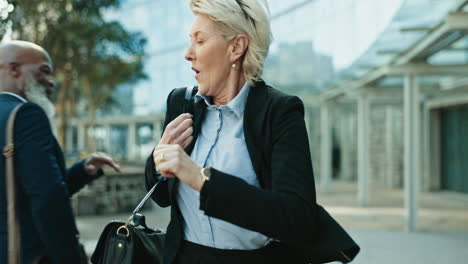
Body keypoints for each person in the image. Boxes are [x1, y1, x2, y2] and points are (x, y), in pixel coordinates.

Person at [145, 1, 359, 263]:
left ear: (236, 47)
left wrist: (200, 178)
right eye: (190, 41)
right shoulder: (181, 103)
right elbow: (161, 197)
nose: (188, 53)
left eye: (200, 41)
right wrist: (158, 162)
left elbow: (296, 218)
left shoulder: (280, 112)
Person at [0, 40, 121, 263]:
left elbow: (19, 191)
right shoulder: (27, 115)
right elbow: (48, 198)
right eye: (43, 72)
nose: (51, 82)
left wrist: (83, 171)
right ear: (14, 69)